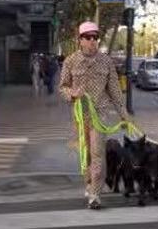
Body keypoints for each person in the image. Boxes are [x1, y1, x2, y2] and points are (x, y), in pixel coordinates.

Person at [59, 21, 129, 210]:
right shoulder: (71, 61)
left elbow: (115, 91)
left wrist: (124, 115)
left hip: (101, 114)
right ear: (80, 40)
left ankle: (95, 194)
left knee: (98, 153)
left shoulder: (106, 62)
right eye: (88, 37)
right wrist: (71, 93)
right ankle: (89, 183)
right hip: (80, 115)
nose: (92, 41)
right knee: (86, 154)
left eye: (95, 38)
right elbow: (62, 86)